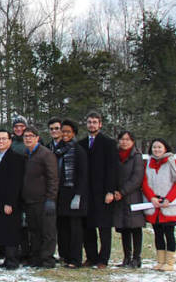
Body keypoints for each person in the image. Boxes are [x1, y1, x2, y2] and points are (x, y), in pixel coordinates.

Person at [78, 111, 118, 268]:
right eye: (89, 122)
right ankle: (91, 257)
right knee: (88, 227)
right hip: (86, 192)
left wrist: (110, 190)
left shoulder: (108, 143)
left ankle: (103, 259)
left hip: (103, 192)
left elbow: (112, 169)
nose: (92, 125)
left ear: (100, 124)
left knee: (104, 228)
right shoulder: (81, 144)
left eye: (95, 122)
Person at [142, 138, 176, 271]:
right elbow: (144, 183)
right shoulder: (148, 163)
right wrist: (151, 197)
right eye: (154, 147)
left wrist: (168, 199)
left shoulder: (173, 162)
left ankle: (170, 262)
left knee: (169, 233)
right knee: (158, 233)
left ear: (165, 148)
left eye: (159, 147)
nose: (157, 150)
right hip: (154, 205)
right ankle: (160, 261)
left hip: (168, 205)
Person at [20, 125, 58, 268]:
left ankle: (47, 259)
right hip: (30, 201)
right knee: (34, 231)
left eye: (31, 136)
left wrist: (51, 199)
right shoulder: (26, 154)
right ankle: (36, 258)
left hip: (44, 200)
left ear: (37, 138)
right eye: (25, 136)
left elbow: (53, 178)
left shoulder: (46, 154)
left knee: (47, 232)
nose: (28, 139)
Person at [53, 119, 88, 269]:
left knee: (75, 228)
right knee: (62, 226)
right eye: (63, 131)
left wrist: (79, 195)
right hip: (61, 193)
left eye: (68, 131)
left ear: (73, 133)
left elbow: (83, 174)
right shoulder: (58, 149)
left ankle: (75, 258)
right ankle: (65, 256)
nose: (65, 134)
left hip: (74, 192)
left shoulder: (78, 150)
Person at [0, 129, 24, 269]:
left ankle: (12, 260)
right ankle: (6, 258)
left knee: (11, 231)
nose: (1, 141)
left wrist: (10, 202)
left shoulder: (16, 158)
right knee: (3, 230)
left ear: (10, 141)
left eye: (4, 139)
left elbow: (15, 183)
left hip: (10, 202)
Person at [113, 130, 146, 268]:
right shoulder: (115, 155)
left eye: (127, 139)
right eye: (122, 139)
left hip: (133, 196)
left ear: (132, 141)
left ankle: (136, 258)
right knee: (124, 228)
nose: (124, 142)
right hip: (119, 198)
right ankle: (126, 257)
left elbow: (137, 178)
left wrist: (123, 191)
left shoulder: (136, 156)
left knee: (135, 228)